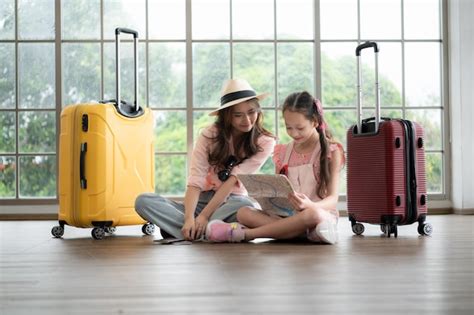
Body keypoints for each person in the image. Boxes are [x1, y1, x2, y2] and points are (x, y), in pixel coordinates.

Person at [135, 78, 276, 241]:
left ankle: (191, 230)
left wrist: (203, 217)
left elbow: (231, 183)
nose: (247, 120)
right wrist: (189, 218)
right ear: (227, 116)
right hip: (202, 200)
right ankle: (207, 230)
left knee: (246, 208)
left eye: (252, 112)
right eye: (238, 115)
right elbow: (195, 182)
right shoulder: (210, 135)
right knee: (143, 201)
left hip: (232, 201)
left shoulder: (265, 142)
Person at [205, 91, 345, 244]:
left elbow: (332, 200)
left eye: (299, 127)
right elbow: (278, 191)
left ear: (315, 121)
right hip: (288, 216)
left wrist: (309, 205)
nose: (294, 133)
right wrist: (269, 199)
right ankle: (302, 232)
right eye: (288, 127)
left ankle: (245, 234)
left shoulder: (332, 151)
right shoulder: (283, 152)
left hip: (319, 213)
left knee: (311, 215)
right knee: (244, 213)